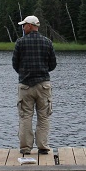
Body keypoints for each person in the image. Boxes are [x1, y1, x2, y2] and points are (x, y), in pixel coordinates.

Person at [11, 15, 57, 155]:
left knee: (25, 116)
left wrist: (24, 72)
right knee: (44, 116)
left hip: (25, 86)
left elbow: (15, 64)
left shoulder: (20, 42)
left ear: (30, 26)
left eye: (24, 25)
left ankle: (25, 148)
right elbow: (53, 65)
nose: (23, 27)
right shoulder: (47, 42)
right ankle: (43, 147)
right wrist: (42, 72)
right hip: (43, 85)